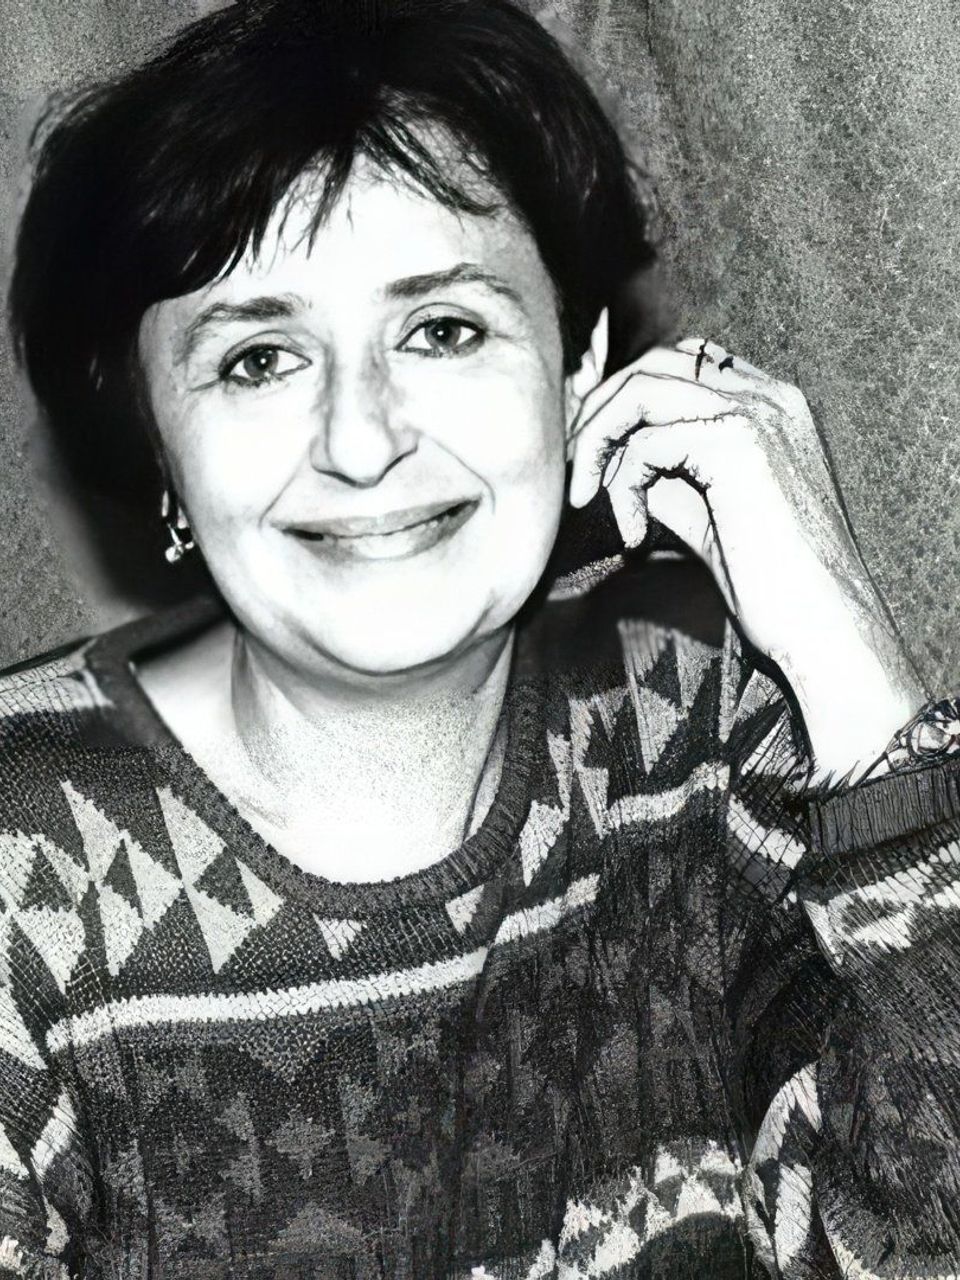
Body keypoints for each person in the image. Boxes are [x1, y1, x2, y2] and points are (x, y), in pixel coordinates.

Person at [2, 0, 959, 1275]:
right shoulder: (24, 874)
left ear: (577, 369)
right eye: (260, 359)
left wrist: (858, 671)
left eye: (444, 330)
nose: (362, 440)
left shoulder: (705, 710)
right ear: (158, 447)